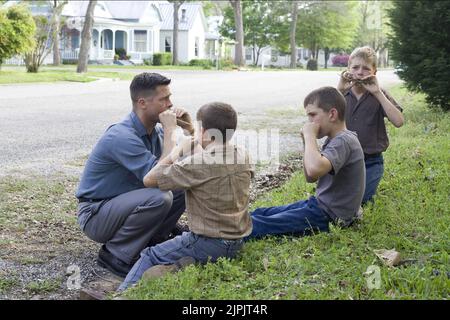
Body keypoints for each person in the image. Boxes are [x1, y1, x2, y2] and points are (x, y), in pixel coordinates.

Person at [118, 102, 255, 291]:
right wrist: (193, 130)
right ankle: (182, 265)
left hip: (207, 242)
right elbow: (210, 160)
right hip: (236, 243)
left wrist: (177, 150)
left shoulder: (197, 164)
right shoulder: (243, 155)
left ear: (205, 132)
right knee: (184, 253)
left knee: (149, 255)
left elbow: (149, 179)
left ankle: (121, 295)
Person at [75, 72, 192, 278]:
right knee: (160, 196)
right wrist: (171, 133)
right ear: (142, 102)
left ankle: (154, 241)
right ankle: (115, 254)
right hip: (96, 213)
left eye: (169, 98)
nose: (170, 104)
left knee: (183, 182)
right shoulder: (121, 136)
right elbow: (159, 175)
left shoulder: (156, 132)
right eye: (164, 99)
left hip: (123, 204)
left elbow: (192, 163)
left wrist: (190, 129)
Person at [247, 87, 365, 240]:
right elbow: (310, 176)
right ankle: (228, 222)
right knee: (262, 213)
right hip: (319, 206)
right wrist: (306, 142)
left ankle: (222, 232)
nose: (309, 122)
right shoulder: (335, 140)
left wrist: (310, 136)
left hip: (329, 216)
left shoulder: (344, 141)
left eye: (312, 115)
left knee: (262, 223)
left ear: (332, 114)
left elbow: (314, 170)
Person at [338, 46, 404, 204]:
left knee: (359, 200)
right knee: (337, 198)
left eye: (366, 68)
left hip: (371, 161)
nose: (360, 72)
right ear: (348, 69)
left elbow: (399, 122)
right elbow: (323, 119)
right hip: (342, 160)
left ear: (374, 72)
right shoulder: (341, 93)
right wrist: (339, 90)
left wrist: (377, 93)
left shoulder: (379, 94)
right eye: (355, 67)